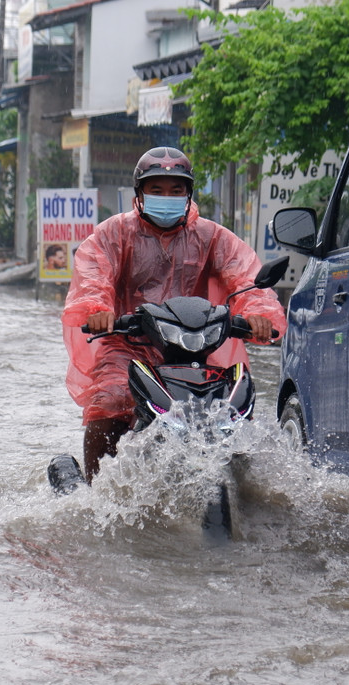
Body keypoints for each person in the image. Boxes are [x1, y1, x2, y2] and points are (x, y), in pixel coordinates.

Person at [60, 146, 286, 482]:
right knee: (109, 401)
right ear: (140, 193)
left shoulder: (211, 236)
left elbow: (246, 276)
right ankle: (96, 491)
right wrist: (98, 310)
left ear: (188, 194)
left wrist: (258, 313)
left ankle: (246, 488)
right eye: (157, 190)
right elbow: (94, 273)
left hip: (194, 345)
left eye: (176, 190)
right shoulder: (114, 233)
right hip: (129, 344)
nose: (167, 197)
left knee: (235, 410)